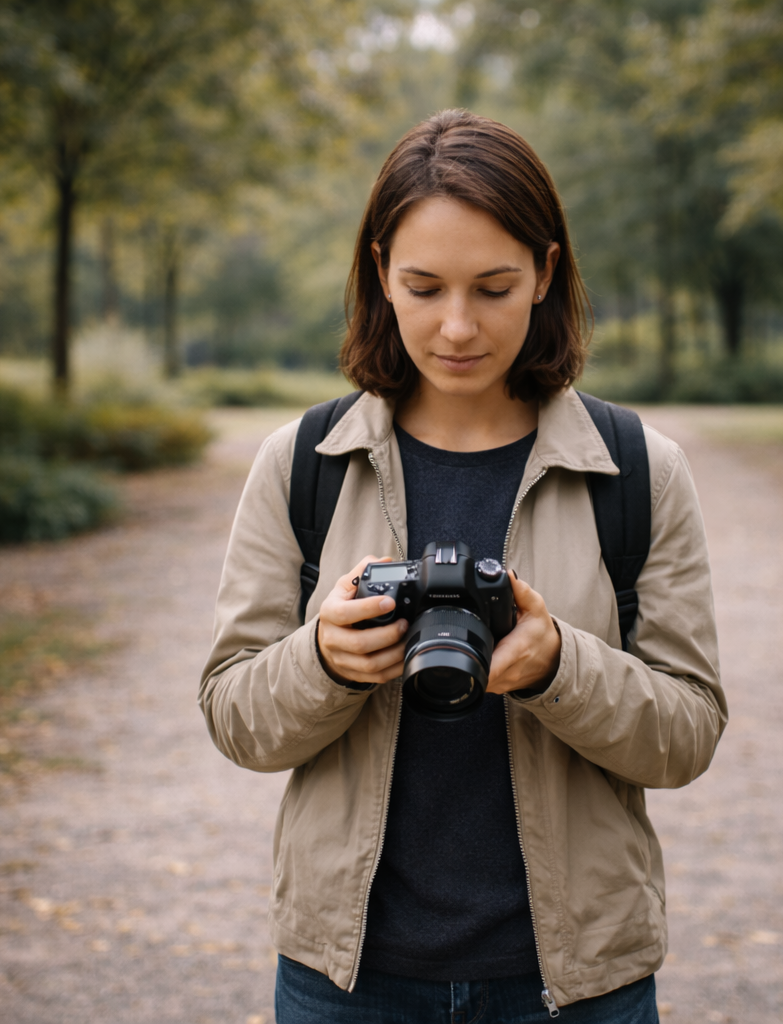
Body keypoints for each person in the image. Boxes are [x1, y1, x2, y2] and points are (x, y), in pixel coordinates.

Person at [199, 109, 726, 1024]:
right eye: (423, 285)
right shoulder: (304, 464)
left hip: (575, 983)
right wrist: (324, 662)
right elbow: (236, 718)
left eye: (493, 287)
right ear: (378, 275)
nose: (456, 327)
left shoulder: (636, 471)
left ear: (547, 273)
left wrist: (561, 666)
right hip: (347, 980)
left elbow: (687, 733)